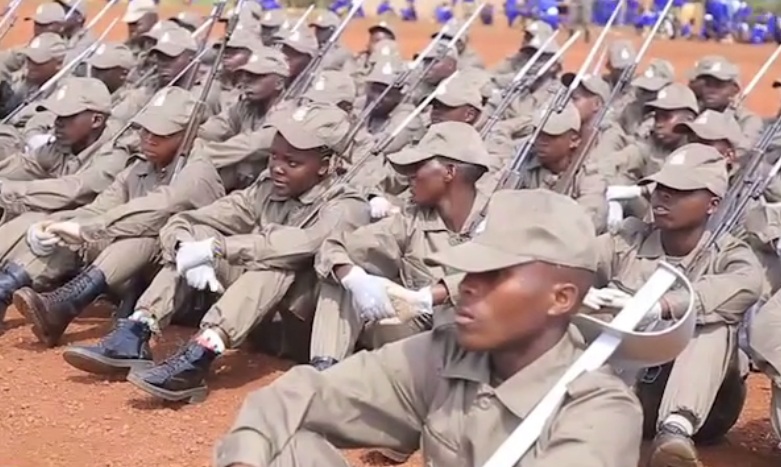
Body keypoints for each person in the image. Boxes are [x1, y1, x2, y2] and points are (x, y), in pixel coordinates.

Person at [213, 189, 643, 467]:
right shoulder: (451, 353)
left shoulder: (600, 412)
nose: (468, 287)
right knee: (283, 450)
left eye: (494, 275)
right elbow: (299, 396)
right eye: (470, 271)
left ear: (560, 299)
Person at [63, 104, 369, 401]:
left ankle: (200, 355)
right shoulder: (265, 189)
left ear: (326, 166)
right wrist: (186, 248)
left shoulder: (346, 206)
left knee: (273, 264)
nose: (277, 167)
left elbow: (296, 245)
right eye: (274, 156)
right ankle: (137, 330)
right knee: (196, 239)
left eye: (292, 162)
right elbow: (189, 219)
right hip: (254, 319)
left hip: (300, 328)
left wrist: (216, 248)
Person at [586, 144, 763, 467]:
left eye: (680, 191)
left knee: (710, 320)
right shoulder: (629, 239)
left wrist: (663, 306)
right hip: (627, 392)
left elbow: (746, 284)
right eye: (662, 187)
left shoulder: (729, 254)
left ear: (713, 204)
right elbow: (576, 256)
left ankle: (675, 433)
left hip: (705, 409)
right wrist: (577, 288)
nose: (663, 197)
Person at [11, 87, 225, 348]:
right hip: (134, 275)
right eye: (145, 131)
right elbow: (100, 208)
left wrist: (86, 229)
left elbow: (157, 208)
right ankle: (9, 287)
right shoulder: (142, 166)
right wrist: (59, 226)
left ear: (189, 135)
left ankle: (68, 304)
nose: (149, 139)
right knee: (69, 231)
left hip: (186, 287)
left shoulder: (198, 172)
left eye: (162, 134)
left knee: (140, 236)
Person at [310, 121, 489, 370]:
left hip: (473, 345)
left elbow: (501, 279)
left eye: (418, 168)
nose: (409, 177)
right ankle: (324, 370)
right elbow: (335, 246)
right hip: (415, 339)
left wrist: (427, 297)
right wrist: (354, 278)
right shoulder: (411, 218)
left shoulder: (501, 217)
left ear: (449, 172)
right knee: (343, 276)